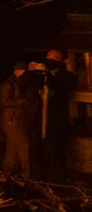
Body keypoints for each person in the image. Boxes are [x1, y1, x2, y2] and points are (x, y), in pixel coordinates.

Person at [37, 48, 78, 180]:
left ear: (60, 61)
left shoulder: (67, 77)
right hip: (41, 122)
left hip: (56, 124)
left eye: (54, 59)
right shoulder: (40, 76)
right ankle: (45, 179)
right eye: (48, 58)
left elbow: (62, 89)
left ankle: (58, 180)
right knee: (42, 153)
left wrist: (48, 77)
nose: (50, 61)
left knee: (57, 153)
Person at [0, 61, 38, 177]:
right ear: (19, 71)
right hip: (12, 121)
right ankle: (27, 175)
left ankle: (8, 173)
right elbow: (4, 101)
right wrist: (25, 102)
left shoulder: (18, 83)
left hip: (14, 120)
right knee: (24, 146)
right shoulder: (9, 84)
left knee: (13, 148)